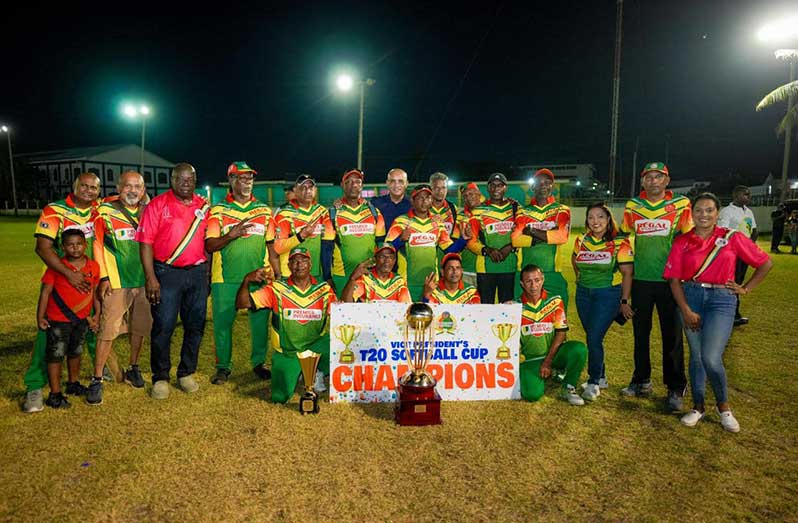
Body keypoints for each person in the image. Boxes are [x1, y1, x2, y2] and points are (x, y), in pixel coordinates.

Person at [664, 192, 772, 432]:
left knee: (711, 357)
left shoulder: (732, 238)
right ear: (691, 213)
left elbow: (765, 263)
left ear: (717, 213)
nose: (704, 215)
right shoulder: (682, 241)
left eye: (709, 210)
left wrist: (745, 289)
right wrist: (686, 310)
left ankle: (724, 408)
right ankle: (698, 406)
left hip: (722, 300)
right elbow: (673, 280)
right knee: (696, 356)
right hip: (690, 297)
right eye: (699, 210)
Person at [23, 172, 102, 413]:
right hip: (61, 284)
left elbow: (124, 198)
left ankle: (84, 378)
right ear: (74, 186)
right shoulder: (54, 210)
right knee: (48, 340)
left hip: (89, 281)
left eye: (94, 188)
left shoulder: (99, 209)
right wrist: (69, 274)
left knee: (86, 332)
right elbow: (43, 248)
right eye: (84, 186)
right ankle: (35, 387)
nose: (88, 191)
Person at [620, 162, 693, 412]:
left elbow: (690, 240)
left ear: (666, 180)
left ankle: (675, 387)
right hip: (641, 281)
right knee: (640, 335)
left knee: (671, 337)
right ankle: (641, 380)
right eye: (648, 177)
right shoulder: (633, 206)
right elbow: (624, 238)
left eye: (658, 177)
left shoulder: (681, 205)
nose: (653, 181)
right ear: (643, 182)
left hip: (670, 282)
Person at [136, 163, 209, 400]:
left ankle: (186, 372)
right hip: (166, 273)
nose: (186, 183)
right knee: (164, 326)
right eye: (181, 178)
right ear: (172, 179)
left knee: (195, 325)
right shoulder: (157, 205)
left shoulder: (204, 206)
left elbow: (210, 240)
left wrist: (205, 272)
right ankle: (160, 377)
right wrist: (151, 278)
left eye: (191, 179)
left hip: (197, 273)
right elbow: (145, 242)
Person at [206, 162, 279, 386]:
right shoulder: (217, 210)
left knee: (259, 325)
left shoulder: (264, 211)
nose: (247, 182)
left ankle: (258, 363)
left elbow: (271, 246)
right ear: (231, 180)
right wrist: (231, 235)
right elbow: (210, 245)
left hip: (259, 277)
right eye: (241, 178)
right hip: (225, 279)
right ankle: (223, 367)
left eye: (250, 178)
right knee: (222, 325)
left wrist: (277, 274)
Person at [235, 247, 336, 403]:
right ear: (288, 266)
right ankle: (299, 371)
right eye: (294, 261)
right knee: (279, 398)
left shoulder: (324, 290)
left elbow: (341, 315)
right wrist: (247, 280)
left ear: (310, 264)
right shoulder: (277, 288)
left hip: (316, 345)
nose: (299, 264)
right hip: (288, 351)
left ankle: (316, 371)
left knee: (342, 347)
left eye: (303, 260)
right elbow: (242, 303)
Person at [89, 171, 152, 405]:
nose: (132, 190)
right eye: (128, 185)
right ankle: (97, 379)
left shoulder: (149, 213)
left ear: (143, 190)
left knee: (139, 327)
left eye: (137, 186)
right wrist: (104, 277)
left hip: (144, 282)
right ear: (119, 187)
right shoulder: (104, 211)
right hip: (116, 282)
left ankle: (133, 367)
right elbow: (96, 243)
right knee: (107, 331)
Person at [571, 203, 634, 401]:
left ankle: (594, 381)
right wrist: (581, 280)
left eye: (600, 217)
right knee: (592, 336)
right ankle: (602, 376)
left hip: (607, 295)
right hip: (583, 294)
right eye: (591, 217)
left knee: (594, 338)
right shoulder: (581, 239)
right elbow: (575, 261)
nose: (595, 221)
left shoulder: (619, 242)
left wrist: (623, 300)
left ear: (608, 220)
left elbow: (627, 273)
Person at [36, 229, 101, 409]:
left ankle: (73, 383)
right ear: (63, 247)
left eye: (79, 244)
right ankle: (55, 394)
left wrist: (97, 314)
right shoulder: (57, 267)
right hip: (58, 320)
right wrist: (40, 316)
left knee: (76, 351)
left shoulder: (93, 266)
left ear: (85, 245)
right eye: (70, 245)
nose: (75, 248)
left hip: (81, 320)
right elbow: (46, 292)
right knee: (56, 355)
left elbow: (94, 293)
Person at [517, 264, 587, 406]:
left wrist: (547, 362)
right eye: (529, 281)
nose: (533, 285)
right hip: (530, 359)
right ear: (522, 284)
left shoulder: (555, 301)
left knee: (579, 349)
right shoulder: (516, 306)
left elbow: (561, 332)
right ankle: (552, 373)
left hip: (553, 355)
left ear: (543, 280)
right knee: (532, 395)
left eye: (537, 280)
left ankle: (568, 386)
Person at [386, 184, 467, 301]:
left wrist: (463, 240)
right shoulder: (401, 221)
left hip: (432, 283)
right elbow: (386, 250)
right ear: (412, 201)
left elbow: (449, 250)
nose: (424, 201)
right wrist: (400, 240)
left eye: (428, 198)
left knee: (431, 317)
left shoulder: (437, 224)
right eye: (420, 198)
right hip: (406, 283)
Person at [512, 168, 571, 307]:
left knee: (558, 319)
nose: (543, 185)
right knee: (523, 318)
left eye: (548, 182)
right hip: (524, 273)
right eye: (539, 182)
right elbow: (516, 240)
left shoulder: (561, 210)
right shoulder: (523, 211)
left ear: (552, 186)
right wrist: (549, 234)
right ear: (533, 187)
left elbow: (562, 236)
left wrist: (531, 230)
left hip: (552, 272)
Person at [329, 169, 386, 294]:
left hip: (370, 273)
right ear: (342, 185)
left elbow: (381, 243)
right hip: (342, 276)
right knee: (343, 312)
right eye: (348, 182)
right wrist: (328, 276)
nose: (354, 185)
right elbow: (326, 247)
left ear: (362, 185)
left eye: (357, 182)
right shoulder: (332, 212)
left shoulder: (374, 212)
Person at [273, 174, 335, 283]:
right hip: (291, 275)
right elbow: (278, 247)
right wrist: (301, 236)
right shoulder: (284, 214)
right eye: (303, 188)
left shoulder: (322, 212)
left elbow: (329, 243)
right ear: (296, 191)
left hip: (317, 275)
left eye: (311, 187)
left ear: (315, 190)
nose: (308, 191)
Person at [467, 173, 518, 304]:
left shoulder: (516, 209)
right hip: (485, 268)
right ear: (488, 188)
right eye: (493, 185)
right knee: (485, 308)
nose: (496, 189)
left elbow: (522, 234)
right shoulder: (477, 211)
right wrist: (487, 251)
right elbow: (471, 241)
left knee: (508, 309)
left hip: (510, 267)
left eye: (500, 185)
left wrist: (510, 247)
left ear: (505, 188)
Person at [718, 185, 758, 326]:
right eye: (746, 194)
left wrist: (749, 246)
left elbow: (754, 230)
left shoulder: (749, 212)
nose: (749, 197)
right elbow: (723, 232)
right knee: (731, 282)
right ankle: (732, 314)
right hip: (732, 252)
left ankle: (734, 313)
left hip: (744, 252)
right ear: (736, 195)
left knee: (738, 281)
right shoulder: (727, 211)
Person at [340, 244, 411, 303]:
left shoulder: (399, 282)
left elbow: (406, 307)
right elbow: (346, 304)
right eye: (382, 256)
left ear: (394, 260)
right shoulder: (365, 278)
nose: (387, 260)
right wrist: (352, 279)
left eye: (390, 257)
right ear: (375, 259)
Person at [456, 182, 484, 288]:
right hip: (466, 271)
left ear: (479, 194)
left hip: (486, 271)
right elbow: (455, 242)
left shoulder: (489, 212)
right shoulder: (459, 216)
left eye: (471, 194)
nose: (468, 198)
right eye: (465, 196)